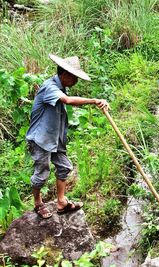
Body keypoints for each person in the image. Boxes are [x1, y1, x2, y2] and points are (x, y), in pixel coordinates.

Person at [26, 54, 110, 219]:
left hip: (55, 138)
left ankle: (61, 202)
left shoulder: (59, 87)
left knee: (64, 166)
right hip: (40, 140)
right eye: (75, 78)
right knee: (42, 173)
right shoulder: (49, 87)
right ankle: (38, 203)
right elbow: (67, 100)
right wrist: (94, 100)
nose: (76, 82)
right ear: (65, 74)